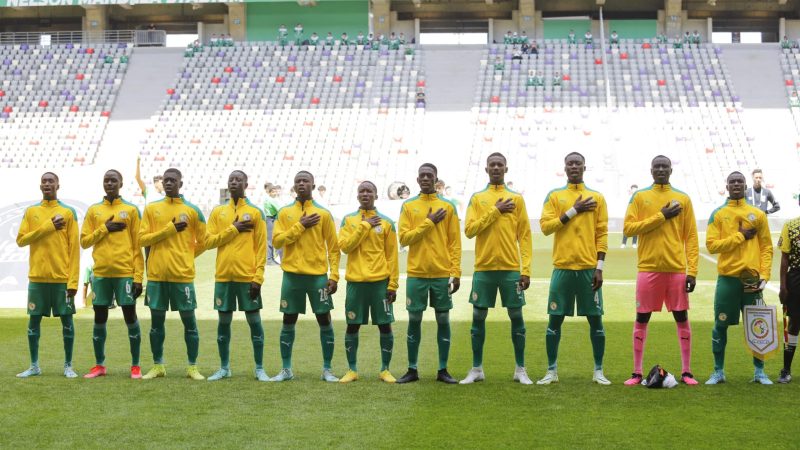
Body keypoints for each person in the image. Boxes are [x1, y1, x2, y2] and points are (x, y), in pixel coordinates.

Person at [622, 156, 699, 386]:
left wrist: (692, 270)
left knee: (681, 317)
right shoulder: (640, 197)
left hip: (676, 269)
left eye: (665, 166)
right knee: (642, 318)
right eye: (657, 166)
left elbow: (691, 237)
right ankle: (637, 372)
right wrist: (661, 216)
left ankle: (687, 372)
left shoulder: (683, 199)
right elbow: (628, 228)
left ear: (671, 170)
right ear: (651, 170)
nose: (661, 169)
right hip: (648, 268)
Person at [537, 152, 610, 386]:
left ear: (584, 167)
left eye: (578, 163)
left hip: (589, 269)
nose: (574, 166)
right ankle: (551, 370)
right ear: (565, 168)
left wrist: (599, 267)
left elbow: (602, 234)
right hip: (563, 268)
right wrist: (573, 210)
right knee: (554, 320)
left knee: (596, 321)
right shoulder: (555, 196)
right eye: (570, 163)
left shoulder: (597, 197)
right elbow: (546, 227)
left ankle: (598, 371)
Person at [460, 153, 533, 385]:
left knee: (516, 315)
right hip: (484, 268)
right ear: (486, 169)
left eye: (499, 165)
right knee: (478, 316)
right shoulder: (478, 198)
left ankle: (520, 369)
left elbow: (525, 236)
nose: (496, 168)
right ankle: (477, 368)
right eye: (492, 165)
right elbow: (470, 230)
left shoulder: (517, 199)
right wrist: (495, 211)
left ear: (506, 168)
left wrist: (526, 270)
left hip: (511, 268)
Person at [271, 171, 341, 382]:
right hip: (292, 276)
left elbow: (334, 248)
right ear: (294, 186)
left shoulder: (324, 214)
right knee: (288, 320)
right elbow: (277, 242)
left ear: (313, 184)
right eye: (298, 181)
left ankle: (327, 370)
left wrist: (334, 275)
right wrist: (300, 226)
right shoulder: (284, 213)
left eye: (305, 181)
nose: (301, 184)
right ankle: (286, 369)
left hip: (317, 277)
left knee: (324, 320)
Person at [705, 171, 773, 385]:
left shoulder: (758, 215)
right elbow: (712, 245)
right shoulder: (718, 214)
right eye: (732, 181)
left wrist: (765, 275)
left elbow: (766, 248)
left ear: (745, 186)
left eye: (740, 182)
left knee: (757, 324)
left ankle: (759, 372)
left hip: (752, 281)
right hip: (728, 279)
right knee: (720, 325)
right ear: (726, 185)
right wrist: (740, 236)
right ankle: (718, 371)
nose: (736, 184)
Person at [139, 168, 207, 381]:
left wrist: (187, 256)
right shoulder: (151, 209)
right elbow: (142, 240)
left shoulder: (193, 211)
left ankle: (192, 367)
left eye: (172, 180)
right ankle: (158, 365)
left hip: (182, 276)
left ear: (181, 183)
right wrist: (169, 230)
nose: (168, 183)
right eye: (165, 180)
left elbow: (204, 242)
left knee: (190, 322)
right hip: (157, 277)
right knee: (156, 323)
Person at [396, 164, 462, 384]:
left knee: (443, 319)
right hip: (417, 273)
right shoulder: (409, 206)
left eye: (429, 176)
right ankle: (412, 369)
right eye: (422, 176)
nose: (425, 178)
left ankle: (443, 369)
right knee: (414, 319)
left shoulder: (448, 206)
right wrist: (429, 222)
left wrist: (456, 271)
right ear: (417, 180)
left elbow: (454, 242)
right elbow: (404, 239)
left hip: (442, 273)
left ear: (436, 180)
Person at [80, 170, 145, 379]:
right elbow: (85, 241)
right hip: (100, 275)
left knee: (130, 316)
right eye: (106, 180)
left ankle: (135, 365)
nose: (109, 183)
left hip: (124, 274)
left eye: (113, 180)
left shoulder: (131, 210)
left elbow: (138, 246)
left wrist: (137, 278)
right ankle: (99, 365)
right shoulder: (94, 211)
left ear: (121, 183)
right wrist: (105, 228)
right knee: (99, 318)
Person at [205, 171, 268, 382]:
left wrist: (257, 278)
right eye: (231, 179)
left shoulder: (255, 212)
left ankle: (259, 368)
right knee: (223, 322)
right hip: (224, 277)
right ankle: (224, 368)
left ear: (246, 184)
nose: (234, 182)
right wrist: (233, 229)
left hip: (247, 278)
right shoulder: (218, 212)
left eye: (238, 179)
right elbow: (208, 242)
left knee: (254, 322)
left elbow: (261, 249)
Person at [15, 172, 80, 378]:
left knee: (67, 323)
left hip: (61, 280)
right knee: (33, 324)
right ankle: (34, 366)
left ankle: (68, 366)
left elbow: (74, 250)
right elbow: (21, 240)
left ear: (58, 185)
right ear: (40, 186)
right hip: (37, 279)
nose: (47, 184)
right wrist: (48, 226)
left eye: (51, 181)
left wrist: (73, 281)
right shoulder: (31, 211)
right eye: (44, 181)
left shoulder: (68, 212)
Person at [338, 181, 399, 383]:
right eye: (362, 191)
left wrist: (393, 284)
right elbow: (345, 247)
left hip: (380, 283)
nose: (365, 194)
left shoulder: (387, 223)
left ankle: (385, 370)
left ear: (376, 195)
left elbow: (392, 256)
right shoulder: (348, 221)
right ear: (357, 196)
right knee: (352, 325)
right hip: (356, 282)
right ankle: (352, 370)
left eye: (369, 191)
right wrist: (364, 226)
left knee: (385, 325)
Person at [778, 201, 800, 383]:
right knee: (794, 322)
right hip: (796, 277)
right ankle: (786, 370)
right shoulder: (791, 225)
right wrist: (783, 286)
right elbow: (784, 258)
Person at [263, 183, 281, 265]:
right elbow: (280, 209)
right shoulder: (271, 200)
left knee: (272, 239)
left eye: (275, 192)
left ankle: (272, 259)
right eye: (272, 192)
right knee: (270, 240)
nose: (274, 193)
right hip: (271, 219)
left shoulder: (270, 199)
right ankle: (269, 260)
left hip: (271, 219)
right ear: (269, 193)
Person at [621, 184, 639, 248]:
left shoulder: (638, 195)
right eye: (633, 188)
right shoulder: (628, 196)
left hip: (636, 214)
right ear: (631, 189)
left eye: (636, 188)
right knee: (627, 228)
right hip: (628, 214)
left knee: (636, 228)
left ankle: (634, 243)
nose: (634, 189)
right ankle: (623, 243)